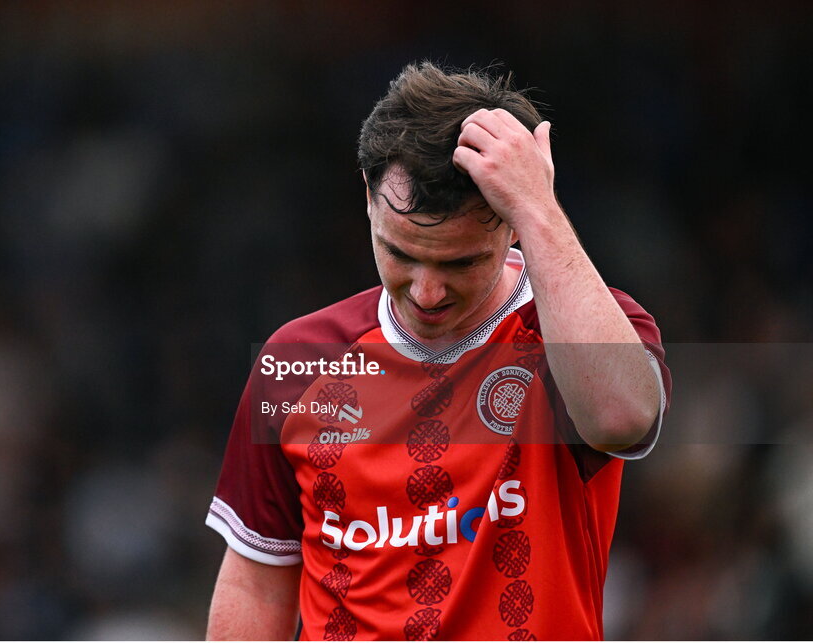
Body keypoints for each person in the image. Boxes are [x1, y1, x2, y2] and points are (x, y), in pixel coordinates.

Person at [204, 61, 671, 641]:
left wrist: (540, 205)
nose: (427, 291)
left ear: (512, 226)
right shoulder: (299, 362)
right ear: (369, 200)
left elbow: (621, 419)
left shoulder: (574, 332)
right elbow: (255, 584)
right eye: (401, 253)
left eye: (461, 262)